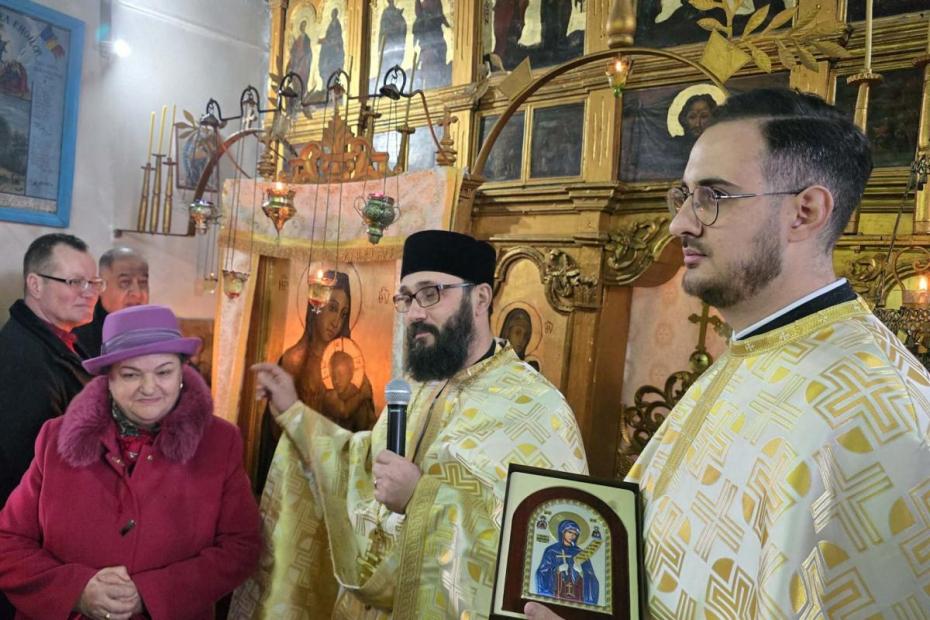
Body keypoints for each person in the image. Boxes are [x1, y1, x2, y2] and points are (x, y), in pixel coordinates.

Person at [527, 88, 930, 618]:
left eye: (714, 196)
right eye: (684, 195)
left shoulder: (874, 417)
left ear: (805, 212)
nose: (680, 223)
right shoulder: (752, 354)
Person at [229, 230, 588, 618]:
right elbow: (363, 467)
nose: (415, 312)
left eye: (430, 293)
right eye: (406, 298)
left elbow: (544, 549)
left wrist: (420, 497)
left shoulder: (537, 408)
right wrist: (294, 412)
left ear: (481, 298)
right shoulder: (416, 388)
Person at [0, 305, 262, 620]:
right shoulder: (54, 439)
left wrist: (150, 594)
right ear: (108, 379)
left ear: (182, 373)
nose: (149, 388)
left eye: (163, 372)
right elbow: (8, 541)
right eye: (130, 374)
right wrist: (77, 591)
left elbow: (242, 546)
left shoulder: (219, 442)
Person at [0, 234, 101, 509]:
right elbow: (32, 468)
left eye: (94, 282)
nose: (90, 293)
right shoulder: (22, 359)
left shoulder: (62, 339)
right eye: (75, 282)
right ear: (35, 284)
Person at [75, 247, 150, 357]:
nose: (137, 293)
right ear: (100, 286)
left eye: (143, 282)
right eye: (125, 282)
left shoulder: (155, 327)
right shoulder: (78, 336)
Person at [534, 519, 599, 605]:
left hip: (576, 595)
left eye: (575, 534)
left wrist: (581, 572)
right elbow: (541, 573)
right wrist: (557, 570)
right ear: (562, 532)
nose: (572, 536)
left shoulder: (580, 553)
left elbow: (592, 579)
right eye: (570, 532)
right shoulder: (551, 551)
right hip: (557, 593)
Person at [321, 349, 375, 431]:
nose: (336, 380)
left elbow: (369, 425)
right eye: (333, 375)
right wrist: (362, 395)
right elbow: (344, 412)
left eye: (340, 375)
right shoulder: (330, 396)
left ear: (350, 374)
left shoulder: (359, 399)